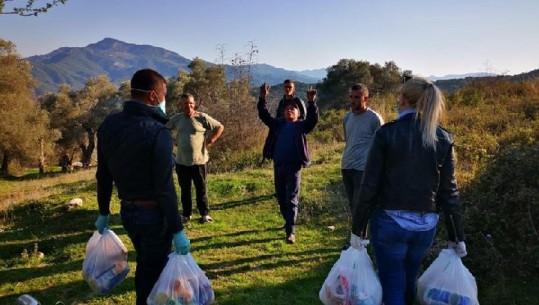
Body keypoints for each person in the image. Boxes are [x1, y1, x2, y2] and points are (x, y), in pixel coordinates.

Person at [350, 76, 467, 305]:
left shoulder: (386, 133)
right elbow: (449, 192)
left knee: (393, 282)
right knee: (410, 277)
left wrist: (358, 229)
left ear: (403, 100)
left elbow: (369, 185)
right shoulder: (443, 137)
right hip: (426, 226)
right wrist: (457, 236)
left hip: (390, 222)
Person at [95, 68, 190, 305]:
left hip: (128, 212)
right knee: (154, 274)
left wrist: (104, 212)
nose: (165, 101)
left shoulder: (108, 124)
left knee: (147, 265)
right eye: (164, 95)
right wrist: (177, 229)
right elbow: (165, 188)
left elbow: (103, 175)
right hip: (154, 216)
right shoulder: (159, 132)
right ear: (152, 97)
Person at [258, 83, 319, 244]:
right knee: (281, 197)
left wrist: (312, 102)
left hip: (294, 168)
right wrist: (262, 98)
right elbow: (264, 114)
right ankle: (288, 222)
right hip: (278, 167)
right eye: (287, 109)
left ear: (299, 113)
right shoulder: (278, 125)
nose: (289, 110)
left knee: (291, 198)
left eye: (293, 109)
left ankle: (290, 231)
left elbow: (313, 119)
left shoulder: (301, 126)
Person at [166, 93, 224, 224]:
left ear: (194, 104)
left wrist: (211, 140)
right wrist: (173, 140)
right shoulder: (177, 118)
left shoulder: (202, 117)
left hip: (199, 161)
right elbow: (165, 129)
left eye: (190, 103)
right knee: (185, 189)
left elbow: (220, 127)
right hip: (181, 161)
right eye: (185, 103)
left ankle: (204, 214)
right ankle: (186, 214)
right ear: (181, 105)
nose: (188, 106)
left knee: (201, 189)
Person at [341, 83, 384, 222]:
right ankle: (358, 239)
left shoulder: (374, 119)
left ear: (366, 98)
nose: (352, 100)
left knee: (360, 206)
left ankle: (361, 240)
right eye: (351, 97)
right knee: (352, 205)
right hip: (347, 166)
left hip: (363, 169)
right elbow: (349, 140)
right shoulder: (347, 118)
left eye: (357, 97)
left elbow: (382, 145)